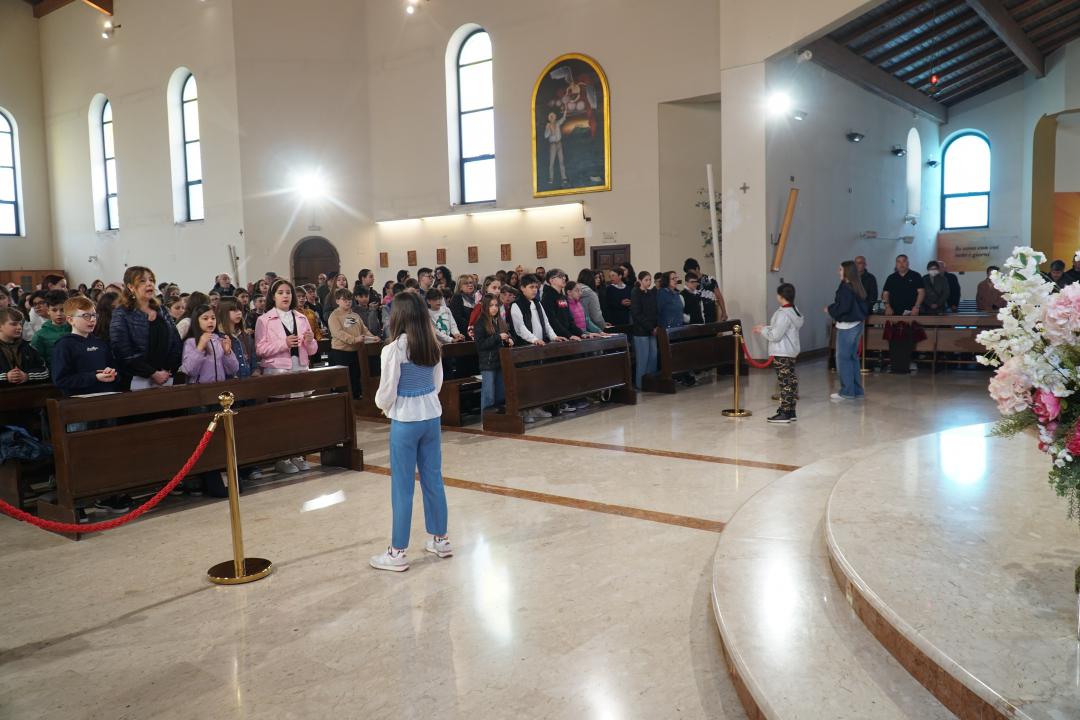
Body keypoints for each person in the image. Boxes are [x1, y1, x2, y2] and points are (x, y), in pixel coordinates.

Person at [370, 292, 450, 572]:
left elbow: (387, 390)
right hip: (431, 417)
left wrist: (383, 406)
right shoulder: (432, 344)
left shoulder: (394, 349)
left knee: (402, 486)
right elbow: (437, 382)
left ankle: (397, 552)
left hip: (406, 420)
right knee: (433, 478)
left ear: (399, 316)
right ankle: (441, 540)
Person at [256, 279, 318, 475]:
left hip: (300, 369)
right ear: (273, 296)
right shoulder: (264, 320)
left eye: (288, 292)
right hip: (278, 371)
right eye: (280, 292)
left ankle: (298, 454)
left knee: (300, 415)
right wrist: (283, 343)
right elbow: (260, 349)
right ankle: (282, 457)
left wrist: (310, 341)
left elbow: (313, 349)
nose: (285, 296)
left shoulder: (301, 317)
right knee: (282, 417)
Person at [110, 266, 183, 391]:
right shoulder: (122, 313)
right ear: (131, 287)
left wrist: (168, 369)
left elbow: (175, 341)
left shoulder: (161, 309)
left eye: (151, 280)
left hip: (166, 376)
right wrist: (152, 373)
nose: (149, 283)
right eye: (142, 281)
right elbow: (122, 351)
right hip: (137, 379)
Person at [754, 283, 804, 424]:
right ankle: (791, 411)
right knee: (791, 381)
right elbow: (781, 328)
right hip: (790, 351)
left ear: (781, 296)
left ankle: (785, 413)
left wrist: (763, 331)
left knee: (785, 383)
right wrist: (766, 327)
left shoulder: (783, 313)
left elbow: (776, 335)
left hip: (782, 351)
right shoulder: (794, 310)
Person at [51, 296, 120, 398]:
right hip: (79, 399)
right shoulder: (64, 345)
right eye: (86, 316)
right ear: (71, 320)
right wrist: (94, 377)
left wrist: (112, 373)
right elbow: (61, 380)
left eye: (94, 315)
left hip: (107, 394)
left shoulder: (101, 343)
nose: (92, 319)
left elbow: (115, 370)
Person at [826, 261, 867, 402]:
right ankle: (857, 390)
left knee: (843, 359)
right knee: (852, 358)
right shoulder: (856, 285)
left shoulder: (846, 287)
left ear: (847, 271)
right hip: (857, 325)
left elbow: (844, 307)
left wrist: (830, 309)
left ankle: (847, 391)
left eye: (840, 269)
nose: (838, 272)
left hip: (847, 327)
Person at [327, 288, 377, 400]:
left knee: (355, 378)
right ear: (337, 301)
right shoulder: (334, 316)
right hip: (340, 352)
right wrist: (354, 339)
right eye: (344, 300)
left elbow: (363, 330)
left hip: (356, 352)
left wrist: (372, 338)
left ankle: (357, 400)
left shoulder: (355, 315)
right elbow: (338, 333)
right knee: (343, 382)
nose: (348, 302)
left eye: (349, 300)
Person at [473, 293, 512, 412]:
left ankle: (498, 418)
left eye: (496, 305)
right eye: (491, 305)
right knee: (488, 394)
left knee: (500, 393)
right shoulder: (480, 323)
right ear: (485, 307)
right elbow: (480, 345)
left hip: (500, 361)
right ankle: (486, 418)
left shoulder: (498, 321)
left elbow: (503, 337)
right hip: (488, 363)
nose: (494, 308)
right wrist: (498, 337)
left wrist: (508, 340)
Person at [181, 304, 239, 384]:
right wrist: (200, 348)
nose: (210, 321)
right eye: (205, 318)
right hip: (199, 388)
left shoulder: (219, 340)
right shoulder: (190, 342)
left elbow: (233, 370)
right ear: (196, 321)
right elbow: (189, 370)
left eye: (213, 318)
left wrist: (227, 353)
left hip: (220, 386)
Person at [0, 308, 49, 386]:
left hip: (28, 391)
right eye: (14, 324)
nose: (19, 327)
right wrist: (5, 376)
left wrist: (27, 376)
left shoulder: (29, 347)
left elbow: (45, 372)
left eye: (20, 324)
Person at [630, 271, 658, 390]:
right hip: (641, 331)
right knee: (643, 358)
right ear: (640, 280)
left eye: (650, 280)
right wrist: (650, 327)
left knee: (653, 356)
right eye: (646, 280)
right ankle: (640, 384)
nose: (649, 282)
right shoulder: (635, 293)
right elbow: (637, 313)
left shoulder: (650, 293)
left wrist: (655, 326)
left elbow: (654, 310)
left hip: (652, 330)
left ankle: (650, 382)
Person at [30, 289, 71, 370]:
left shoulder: (77, 329)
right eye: (54, 310)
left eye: (62, 310)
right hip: (53, 374)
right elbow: (37, 362)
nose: (59, 314)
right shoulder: (40, 335)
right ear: (48, 310)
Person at [541, 269, 584, 340]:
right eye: (560, 276)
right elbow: (552, 320)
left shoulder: (563, 297)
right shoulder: (547, 297)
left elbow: (569, 319)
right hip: (557, 337)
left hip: (567, 335)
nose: (564, 278)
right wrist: (568, 335)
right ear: (551, 280)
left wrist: (581, 333)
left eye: (564, 276)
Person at [683, 258, 728, 322]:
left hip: (711, 315)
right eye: (688, 272)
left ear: (697, 268)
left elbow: (719, 296)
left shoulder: (710, 280)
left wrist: (724, 312)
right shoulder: (690, 283)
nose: (689, 274)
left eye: (690, 271)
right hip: (698, 318)